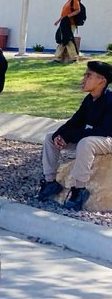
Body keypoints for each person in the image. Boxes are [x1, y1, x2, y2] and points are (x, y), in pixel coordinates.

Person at [38, 60, 112, 211]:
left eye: (88, 76)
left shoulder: (111, 100)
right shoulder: (89, 100)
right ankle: (50, 182)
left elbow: (103, 130)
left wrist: (71, 135)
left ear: (102, 80)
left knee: (86, 143)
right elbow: (74, 121)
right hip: (93, 138)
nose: (83, 79)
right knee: (49, 138)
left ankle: (79, 190)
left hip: (108, 138)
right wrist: (60, 135)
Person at [53, 0, 81, 64]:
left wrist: (68, 17)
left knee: (68, 40)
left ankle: (74, 58)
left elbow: (78, 10)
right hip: (64, 23)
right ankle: (57, 58)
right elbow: (64, 14)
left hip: (70, 24)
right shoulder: (68, 2)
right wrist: (59, 20)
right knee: (62, 40)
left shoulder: (75, 0)